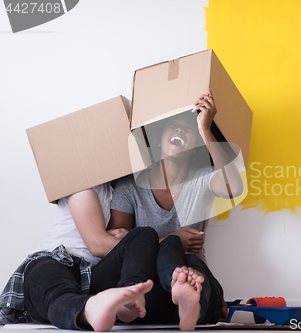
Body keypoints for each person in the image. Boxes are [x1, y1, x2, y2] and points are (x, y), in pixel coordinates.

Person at [109, 90, 244, 331]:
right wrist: (171, 239)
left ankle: (190, 303)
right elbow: (117, 248)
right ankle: (182, 295)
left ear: (195, 147)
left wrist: (205, 129)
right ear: (160, 140)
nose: (180, 131)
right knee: (172, 244)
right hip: (146, 285)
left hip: (194, 275)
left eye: (188, 129)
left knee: (192, 263)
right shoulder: (130, 188)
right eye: (174, 126)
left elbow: (233, 187)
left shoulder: (201, 179)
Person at [0, 183, 159, 332]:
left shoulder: (124, 190)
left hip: (93, 273)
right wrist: (125, 243)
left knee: (145, 233)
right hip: (57, 258)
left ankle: (130, 296)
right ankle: (90, 308)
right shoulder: (80, 180)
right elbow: (97, 245)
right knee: (58, 292)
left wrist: (130, 239)